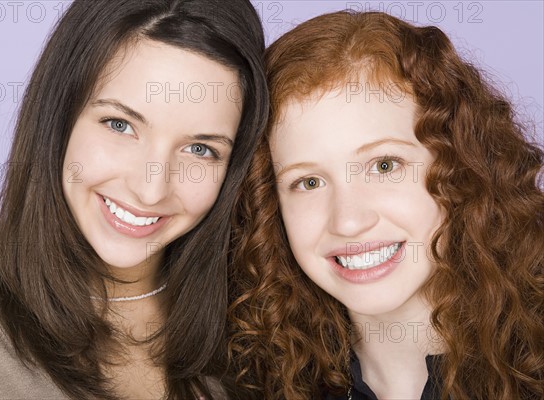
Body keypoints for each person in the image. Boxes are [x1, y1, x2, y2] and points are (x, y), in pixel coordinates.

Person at [0, 0, 268, 399]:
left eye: (200, 150)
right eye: (120, 124)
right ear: (59, 117)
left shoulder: (262, 340)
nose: (151, 189)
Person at [228, 10, 543, 400]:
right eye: (308, 182)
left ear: (461, 166)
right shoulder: (249, 385)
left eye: (383, 165)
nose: (348, 221)